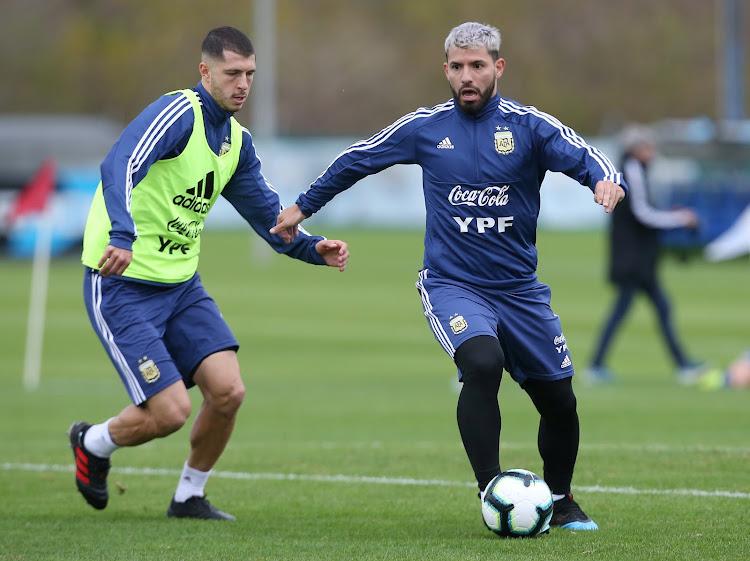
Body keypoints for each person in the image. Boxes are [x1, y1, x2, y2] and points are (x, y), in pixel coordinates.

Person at [271, 22, 627, 532]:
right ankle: (492, 492)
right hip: (452, 284)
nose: (467, 76)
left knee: (559, 399)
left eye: (477, 66)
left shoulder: (528, 127)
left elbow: (586, 157)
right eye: (457, 67)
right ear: (445, 69)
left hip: (519, 290)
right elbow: (357, 159)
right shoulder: (424, 127)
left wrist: (605, 183)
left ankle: (563, 498)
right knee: (483, 361)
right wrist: (303, 207)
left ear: (497, 68)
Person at [69, 26, 349, 521]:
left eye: (250, 75)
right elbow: (120, 164)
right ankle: (92, 443)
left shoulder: (237, 143)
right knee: (170, 412)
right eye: (232, 73)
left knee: (228, 391)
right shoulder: (178, 114)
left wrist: (311, 248)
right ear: (205, 72)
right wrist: (121, 235)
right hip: (122, 284)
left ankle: (188, 497)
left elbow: (269, 217)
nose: (243, 84)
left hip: (181, 288)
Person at [585, 124, 702, 385]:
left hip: (639, 258)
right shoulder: (632, 170)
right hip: (634, 260)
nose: (652, 151)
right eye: (647, 146)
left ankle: (683, 365)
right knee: (628, 310)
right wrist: (680, 218)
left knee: (659, 308)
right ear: (635, 150)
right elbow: (643, 213)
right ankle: (595, 367)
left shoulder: (633, 169)